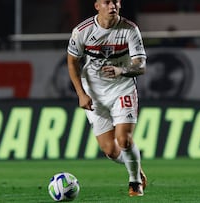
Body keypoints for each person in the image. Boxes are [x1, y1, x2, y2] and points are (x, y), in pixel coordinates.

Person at [67, 0, 147, 197]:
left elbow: (141, 66)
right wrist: (81, 94)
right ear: (97, 6)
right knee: (111, 150)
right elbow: (72, 63)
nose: (113, 6)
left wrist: (121, 70)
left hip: (122, 88)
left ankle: (135, 181)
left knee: (124, 140)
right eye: (107, 2)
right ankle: (137, 168)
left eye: (116, 2)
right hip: (94, 92)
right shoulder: (82, 31)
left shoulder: (129, 29)